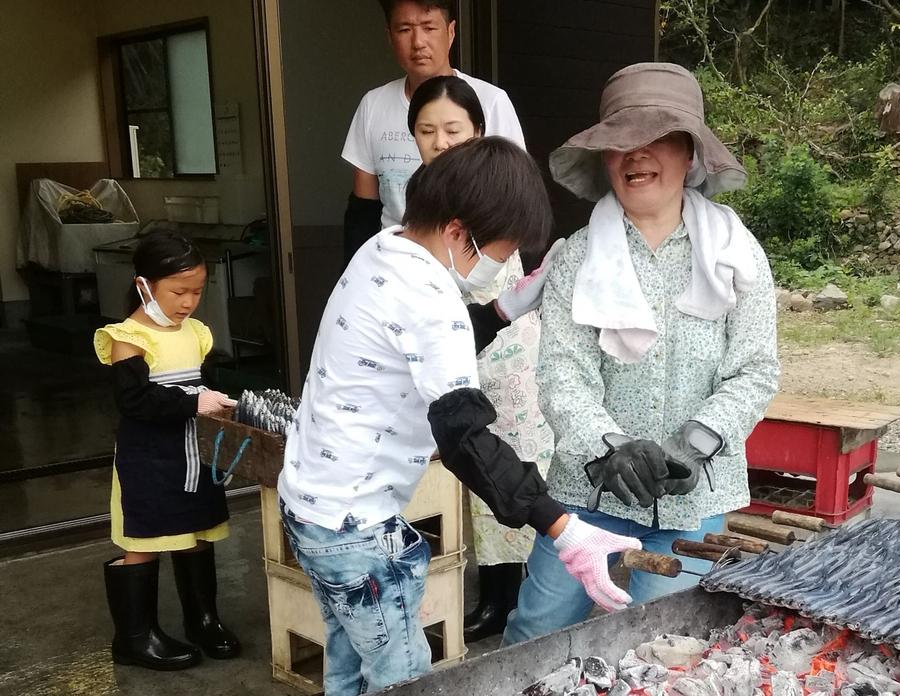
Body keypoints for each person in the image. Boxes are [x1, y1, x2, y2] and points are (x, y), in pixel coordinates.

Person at [277, 137, 639, 696]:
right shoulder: (432, 298)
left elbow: (419, 344)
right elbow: (465, 437)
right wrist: (562, 529)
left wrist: (502, 309)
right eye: (498, 249)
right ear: (454, 231)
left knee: (350, 662)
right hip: (357, 531)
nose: (499, 262)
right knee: (403, 679)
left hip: (310, 506)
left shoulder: (382, 250)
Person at [504, 63, 780, 645]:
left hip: (694, 501)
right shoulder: (576, 257)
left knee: (662, 648)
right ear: (604, 159)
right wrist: (609, 449)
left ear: (689, 154)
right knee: (536, 633)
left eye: (656, 138)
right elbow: (562, 374)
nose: (636, 155)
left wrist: (697, 442)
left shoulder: (738, 253)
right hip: (585, 498)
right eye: (619, 143)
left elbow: (756, 369)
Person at [408, 75, 559, 642]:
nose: (441, 141)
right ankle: (493, 595)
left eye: (453, 129)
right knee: (469, 457)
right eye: (427, 131)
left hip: (508, 345)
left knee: (514, 450)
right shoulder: (418, 196)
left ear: (477, 131)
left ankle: (519, 593)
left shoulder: (493, 189)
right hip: (452, 347)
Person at [94, 230, 240, 670]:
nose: (188, 302)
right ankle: (136, 638)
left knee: (195, 533)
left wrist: (220, 401)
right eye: (178, 291)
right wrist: (194, 402)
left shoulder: (196, 332)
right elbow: (134, 401)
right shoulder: (128, 336)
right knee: (145, 538)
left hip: (193, 453)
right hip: (149, 458)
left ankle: (204, 619)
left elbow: (202, 384)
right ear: (144, 285)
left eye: (197, 291)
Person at [341, 0, 525, 267]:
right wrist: (356, 276)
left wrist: (480, 275)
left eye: (429, 27)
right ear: (390, 36)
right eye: (405, 29)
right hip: (398, 271)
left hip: (476, 273)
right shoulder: (373, 105)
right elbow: (363, 211)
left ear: (450, 32)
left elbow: (515, 202)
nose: (418, 42)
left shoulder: (491, 101)